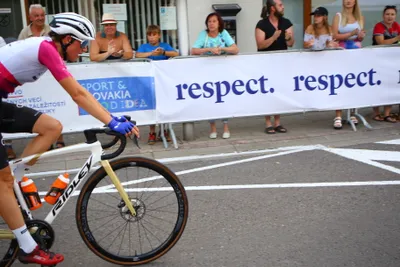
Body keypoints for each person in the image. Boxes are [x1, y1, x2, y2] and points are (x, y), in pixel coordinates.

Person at [0, 12, 139, 265]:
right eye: (81, 43)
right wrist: (111, 122)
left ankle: (14, 182)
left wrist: (111, 117)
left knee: (52, 127)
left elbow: (81, 93)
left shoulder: (46, 46)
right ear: (65, 40)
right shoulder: (46, 48)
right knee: (2, 180)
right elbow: (77, 94)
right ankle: (28, 247)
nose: (84, 48)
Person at [16, 4, 67, 152]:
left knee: (57, 104)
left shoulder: (51, 31)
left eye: (42, 15)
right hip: (32, 77)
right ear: (30, 17)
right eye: (36, 15)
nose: (39, 18)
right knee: (37, 108)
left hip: (50, 74)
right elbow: (20, 53)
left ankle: (59, 138)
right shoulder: (24, 33)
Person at [191, 12, 239, 139]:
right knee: (210, 98)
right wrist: (208, 50)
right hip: (207, 71)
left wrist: (222, 49)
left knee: (223, 97)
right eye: (209, 21)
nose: (211, 24)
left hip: (222, 71)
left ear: (219, 23)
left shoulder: (223, 34)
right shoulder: (203, 34)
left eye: (214, 21)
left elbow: (235, 49)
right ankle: (212, 127)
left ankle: (225, 126)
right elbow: (194, 50)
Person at [255, 0, 294, 134]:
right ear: (272, 8)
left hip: (281, 62)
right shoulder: (262, 24)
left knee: (279, 91)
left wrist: (288, 38)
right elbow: (260, 45)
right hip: (266, 62)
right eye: (280, 5)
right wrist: (273, 37)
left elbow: (291, 43)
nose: (283, 7)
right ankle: (268, 122)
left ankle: (277, 122)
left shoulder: (286, 22)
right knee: (267, 92)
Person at [136, 25, 179, 144]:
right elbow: (137, 55)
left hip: (162, 82)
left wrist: (164, 52)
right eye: (149, 35)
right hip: (150, 82)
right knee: (152, 106)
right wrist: (151, 53)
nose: (151, 37)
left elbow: (176, 54)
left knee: (165, 105)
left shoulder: (164, 46)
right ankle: (152, 132)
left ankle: (165, 130)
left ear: (159, 35)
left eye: (154, 35)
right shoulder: (144, 47)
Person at [331, 0, 365, 129]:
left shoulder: (360, 17)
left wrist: (360, 36)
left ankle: (352, 113)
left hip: (355, 53)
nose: (348, 1)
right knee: (340, 82)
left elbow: (359, 38)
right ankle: (338, 114)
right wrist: (350, 34)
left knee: (354, 82)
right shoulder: (338, 16)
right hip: (341, 52)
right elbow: (334, 35)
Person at [371, 5, 400, 123]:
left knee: (390, 85)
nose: (390, 17)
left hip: (391, 61)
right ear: (383, 15)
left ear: (395, 16)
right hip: (377, 59)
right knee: (378, 86)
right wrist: (396, 38)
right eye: (387, 14)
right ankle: (377, 113)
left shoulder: (397, 26)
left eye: (392, 14)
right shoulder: (379, 26)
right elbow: (381, 42)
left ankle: (387, 114)